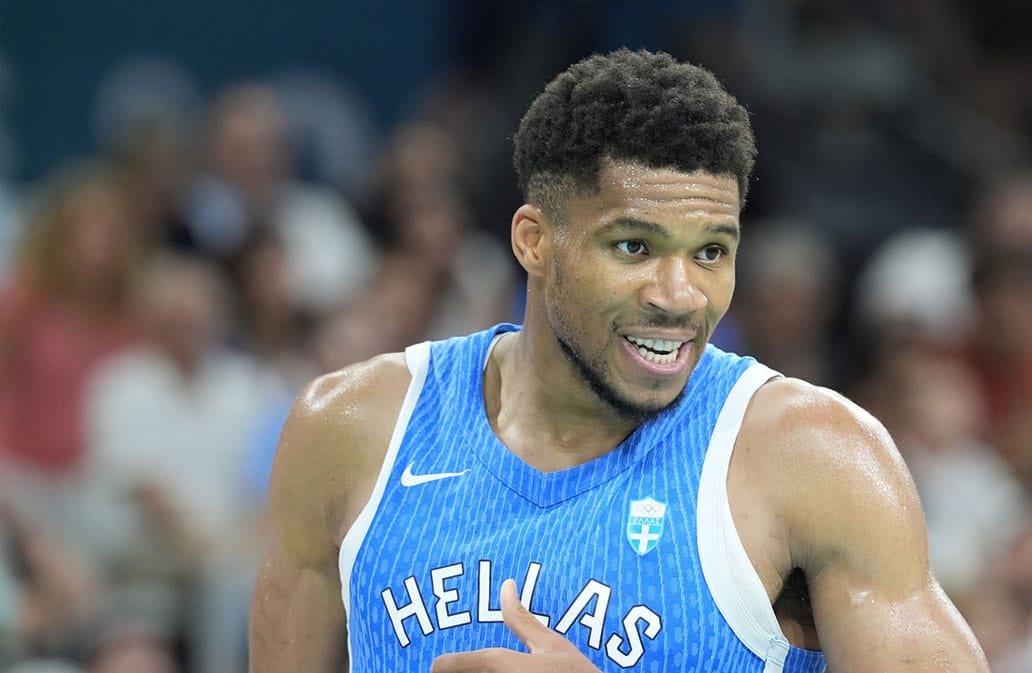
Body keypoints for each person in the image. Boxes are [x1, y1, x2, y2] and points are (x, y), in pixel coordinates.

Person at [250, 48, 990, 672]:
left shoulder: (811, 455)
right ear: (535, 241)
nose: (680, 295)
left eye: (711, 252)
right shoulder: (352, 429)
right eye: (634, 247)